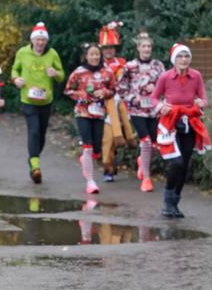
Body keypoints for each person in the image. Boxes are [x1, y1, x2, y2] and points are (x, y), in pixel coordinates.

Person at [150, 43, 211, 218]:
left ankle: (173, 204)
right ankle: (167, 201)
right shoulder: (166, 77)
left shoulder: (196, 76)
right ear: (174, 60)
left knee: (184, 164)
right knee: (176, 162)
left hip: (189, 122)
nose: (183, 60)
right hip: (170, 122)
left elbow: (204, 98)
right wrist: (161, 106)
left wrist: (201, 103)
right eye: (180, 56)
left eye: (186, 56)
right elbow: (154, 98)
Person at [11, 22, 65, 183]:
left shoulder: (53, 54)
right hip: (28, 100)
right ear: (32, 40)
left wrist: (55, 73)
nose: (40, 43)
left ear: (46, 41)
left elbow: (62, 76)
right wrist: (16, 79)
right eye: (38, 40)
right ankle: (35, 166)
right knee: (33, 130)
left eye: (43, 40)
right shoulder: (23, 53)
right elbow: (15, 69)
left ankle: (33, 159)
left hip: (45, 101)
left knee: (41, 135)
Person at [64, 43, 117, 194]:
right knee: (87, 145)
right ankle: (90, 182)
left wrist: (105, 92)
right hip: (83, 112)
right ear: (86, 56)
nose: (94, 57)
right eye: (91, 54)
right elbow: (68, 90)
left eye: (97, 54)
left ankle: (87, 158)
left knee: (97, 149)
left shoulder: (107, 72)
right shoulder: (79, 72)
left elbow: (114, 89)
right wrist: (80, 95)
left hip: (99, 112)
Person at [122, 30, 166, 192]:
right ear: (138, 48)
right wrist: (131, 98)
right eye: (144, 46)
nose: (147, 49)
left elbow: (166, 86)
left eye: (149, 46)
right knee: (145, 140)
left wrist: (156, 88)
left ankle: (143, 160)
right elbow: (121, 86)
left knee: (155, 144)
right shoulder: (130, 66)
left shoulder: (158, 66)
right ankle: (147, 178)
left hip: (154, 110)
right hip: (137, 110)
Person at [99, 22, 138, 182]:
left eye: (111, 47)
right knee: (107, 139)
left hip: (120, 104)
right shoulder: (96, 62)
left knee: (113, 137)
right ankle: (108, 165)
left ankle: (111, 163)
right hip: (102, 105)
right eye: (106, 47)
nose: (108, 50)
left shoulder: (122, 63)